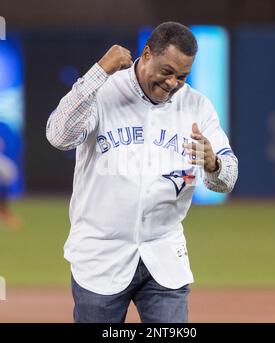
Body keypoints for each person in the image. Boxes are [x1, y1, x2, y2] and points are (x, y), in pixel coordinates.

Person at [46, 22, 238, 323]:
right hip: (100, 256)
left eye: (182, 76)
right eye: (167, 71)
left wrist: (213, 163)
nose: (173, 82)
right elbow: (58, 136)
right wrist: (98, 71)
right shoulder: (104, 90)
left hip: (163, 256)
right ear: (147, 54)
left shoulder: (197, 106)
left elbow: (227, 179)